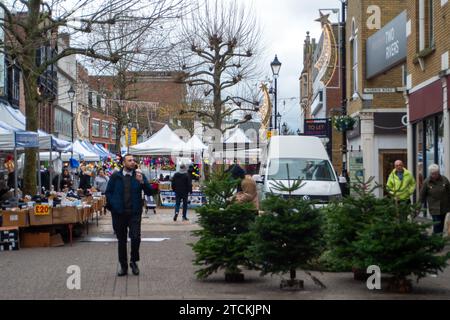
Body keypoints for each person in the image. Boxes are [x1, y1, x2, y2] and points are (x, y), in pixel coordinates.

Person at [105, 154, 157, 277]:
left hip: (134, 213)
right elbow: (108, 192)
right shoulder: (115, 177)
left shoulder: (139, 175)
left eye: (133, 160)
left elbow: (150, 192)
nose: (133, 162)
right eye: (130, 160)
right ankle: (123, 266)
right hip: (119, 214)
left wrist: (142, 182)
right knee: (121, 240)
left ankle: (133, 262)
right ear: (124, 163)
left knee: (135, 237)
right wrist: (113, 205)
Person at [419, 164, 450, 235]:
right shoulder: (426, 182)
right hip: (434, 207)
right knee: (437, 224)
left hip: (444, 207)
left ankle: (439, 240)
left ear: (438, 172)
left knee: (441, 224)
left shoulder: (444, 180)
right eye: (433, 174)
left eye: (436, 173)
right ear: (430, 173)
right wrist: (418, 206)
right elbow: (422, 195)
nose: (434, 175)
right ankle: (436, 241)